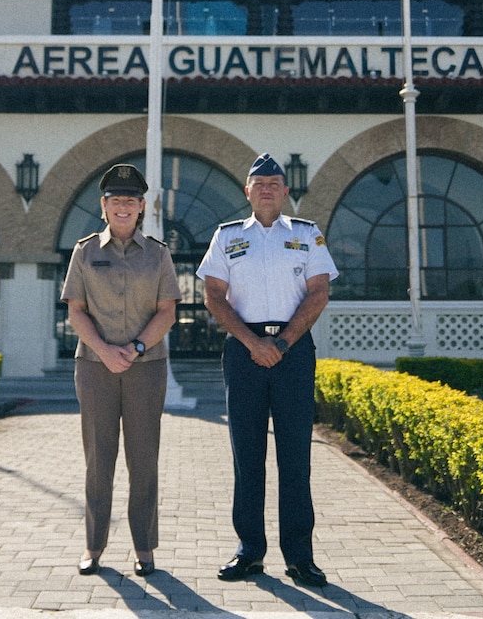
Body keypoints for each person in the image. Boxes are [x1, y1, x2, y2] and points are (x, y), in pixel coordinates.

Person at [197, 153, 338, 588]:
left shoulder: (307, 234)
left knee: (295, 457)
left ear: (286, 190)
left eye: (274, 183)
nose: (267, 189)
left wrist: (280, 343)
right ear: (247, 191)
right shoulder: (227, 237)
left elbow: (318, 292)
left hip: (292, 351)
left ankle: (299, 557)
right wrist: (254, 343)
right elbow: (214, 297)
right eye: (259, 184)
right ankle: (249, 552)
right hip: (244, 353)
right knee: (247, 456)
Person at [60, 163, 179, 577]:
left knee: (143, 459)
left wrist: (136, 347)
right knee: (99, 459)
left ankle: (144, 548)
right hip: (95, 368)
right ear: (104, 205)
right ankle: (94, 546)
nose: (123, 207)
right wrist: (105, 351)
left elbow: (168, 311)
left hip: (147, 369)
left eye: (131, 200)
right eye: (116, 200)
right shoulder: (85, 251)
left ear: (142, 206)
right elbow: (76, 311)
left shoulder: (159, 254)